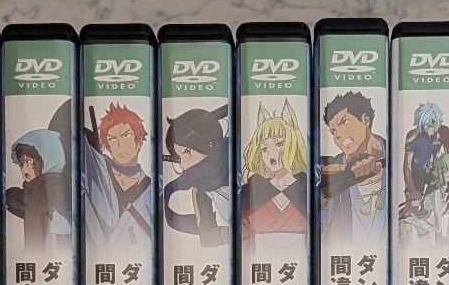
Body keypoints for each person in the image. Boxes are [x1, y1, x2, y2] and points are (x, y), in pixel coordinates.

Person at [239, 100, 308, 253]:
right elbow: (243, 235)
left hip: (301, 260)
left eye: (279, 144)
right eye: (264, 148)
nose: (271, 154)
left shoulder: (307, 188)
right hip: (259, 262)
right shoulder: (252, 190)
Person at [83, 102, 153, 250]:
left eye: (126, 136)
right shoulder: (97, 172)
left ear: (139, 141)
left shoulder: (152, 189)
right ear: (107, 145)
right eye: (112, 139)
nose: (120, 145)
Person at [319, 90, 386, 242]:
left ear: (365, 120)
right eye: (333, 131)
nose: (337, 135)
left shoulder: (397, 157)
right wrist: (347, 173)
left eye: (344, 122)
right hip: (345, 252)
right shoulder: (331, 169)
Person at [162, 105, 230, 248]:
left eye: (187, 152)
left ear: (209, 145)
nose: (183, 166)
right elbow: (210, 237)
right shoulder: (199, 188)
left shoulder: (244, 160)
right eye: (179, 157)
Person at [5, 125, 70, 250]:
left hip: (52, 255)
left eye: (27, 161)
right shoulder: (35, 190)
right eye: (23, 162)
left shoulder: (53, 188)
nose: (28, 165)